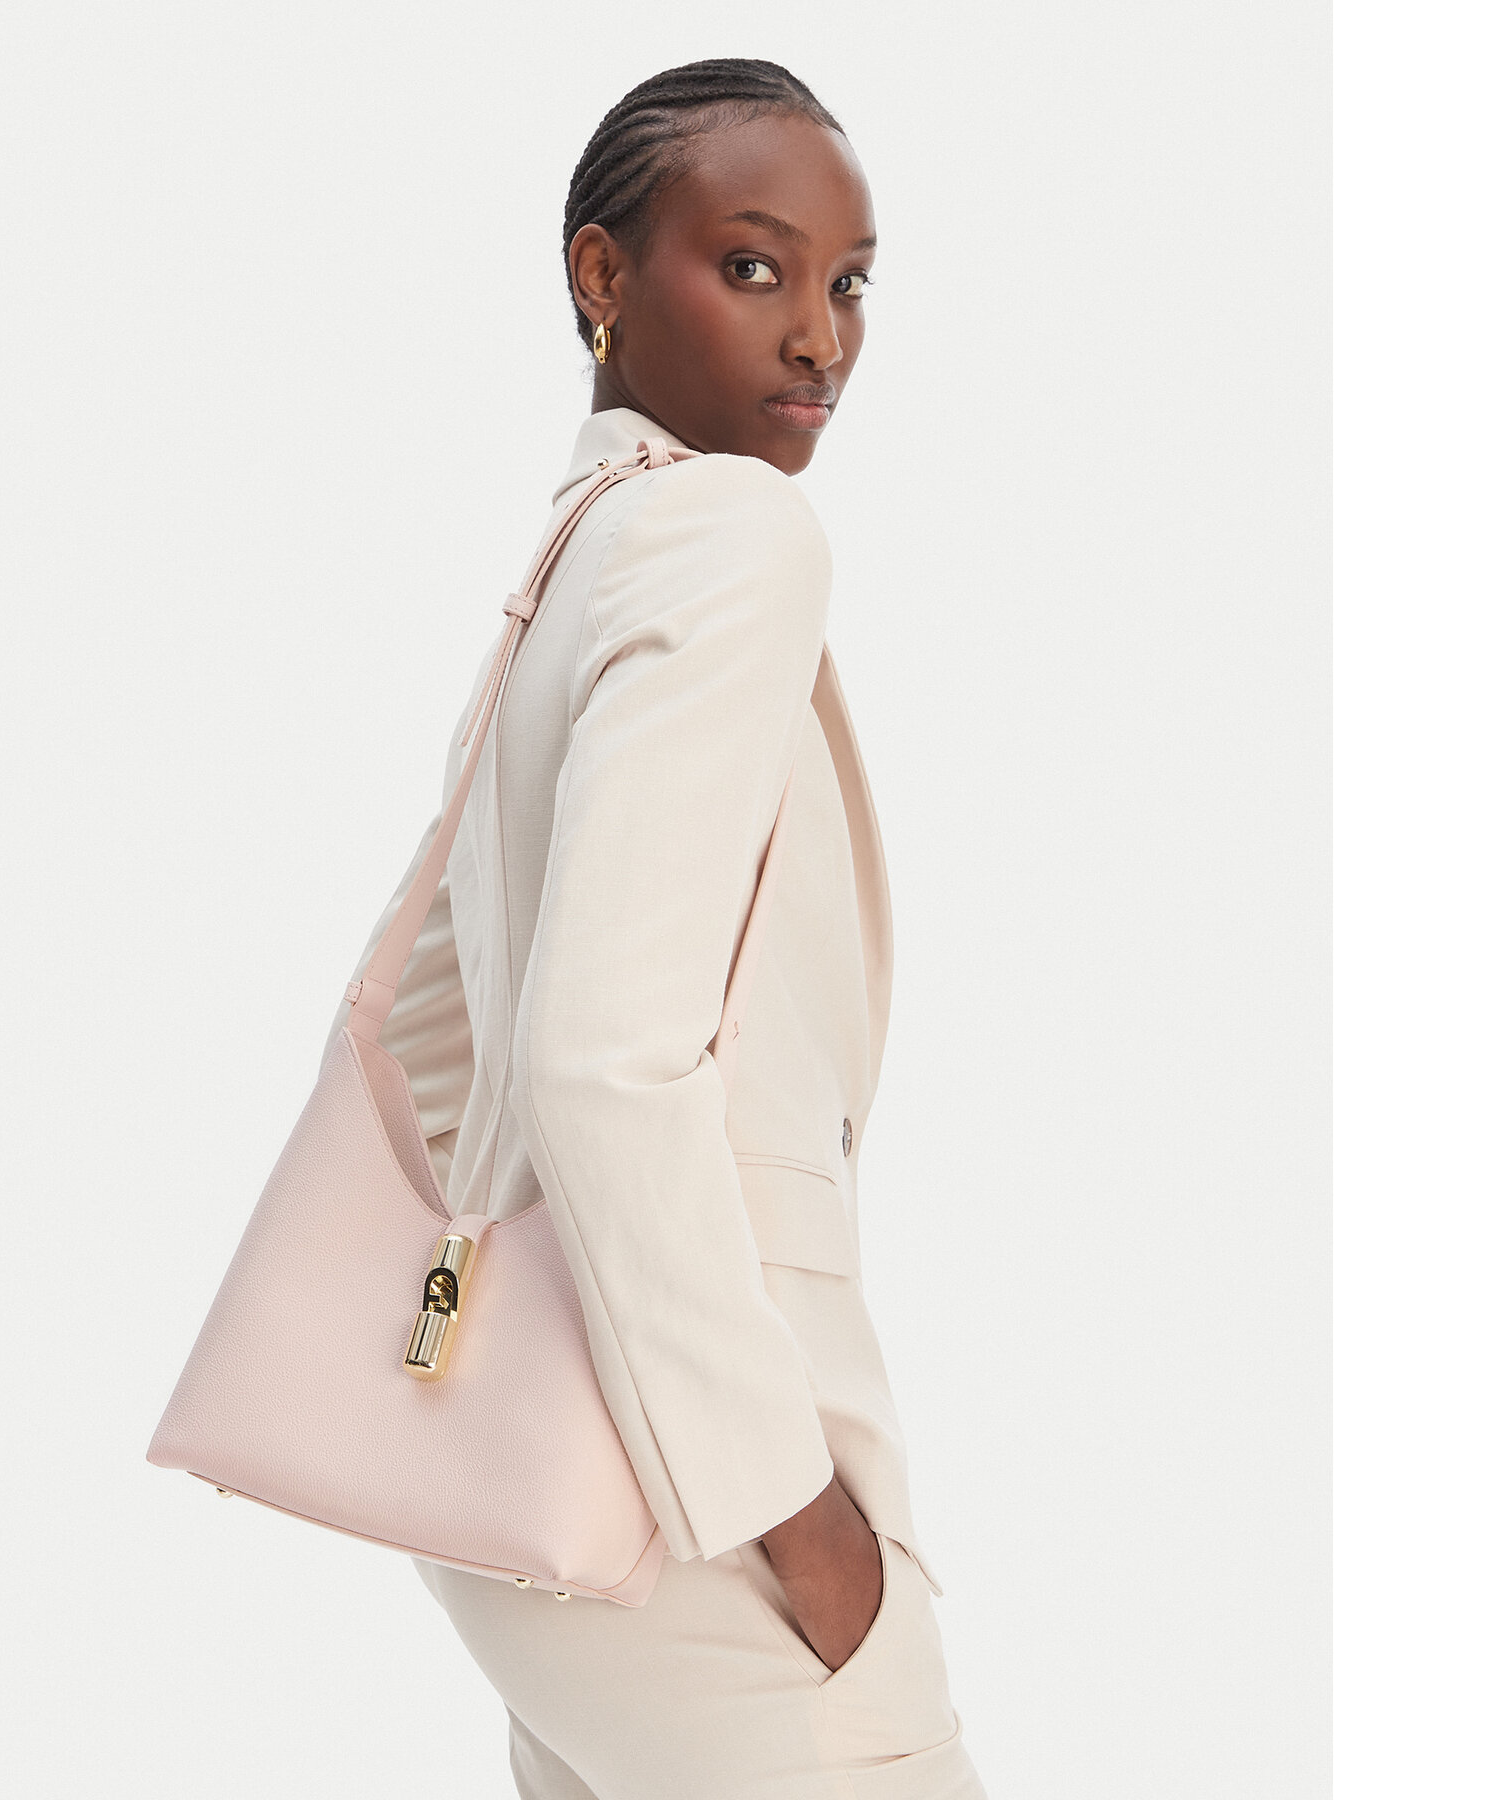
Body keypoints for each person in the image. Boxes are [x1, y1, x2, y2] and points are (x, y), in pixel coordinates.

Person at [342, 58, 988, 1800]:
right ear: (603, 276)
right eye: (755, 266)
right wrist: (798, 1515)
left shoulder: (566, 567)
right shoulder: (727, 533)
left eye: (852, 284)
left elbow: (421, 1025)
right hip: (695, 1492)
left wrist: (441, 1344)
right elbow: (594, 1062)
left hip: (511, 1485)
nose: (820, 338)